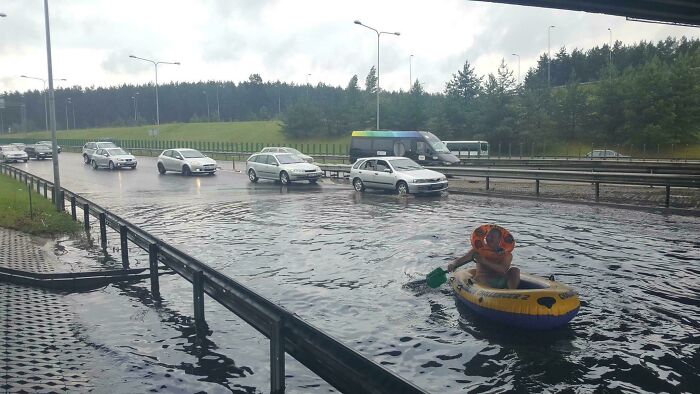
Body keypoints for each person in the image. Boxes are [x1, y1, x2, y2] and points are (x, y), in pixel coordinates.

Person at [447, 225, 520, 289]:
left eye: (492, 236)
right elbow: (462, 259)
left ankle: (512, 293)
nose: (489, 238)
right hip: (482, 282)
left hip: (499, 281)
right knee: (482, 280)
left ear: (499, 239)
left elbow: (503, 270)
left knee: (515, 270)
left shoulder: (506, 254)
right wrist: (452, 264)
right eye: (488, 235)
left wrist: (485, 262)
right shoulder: (478, 250)